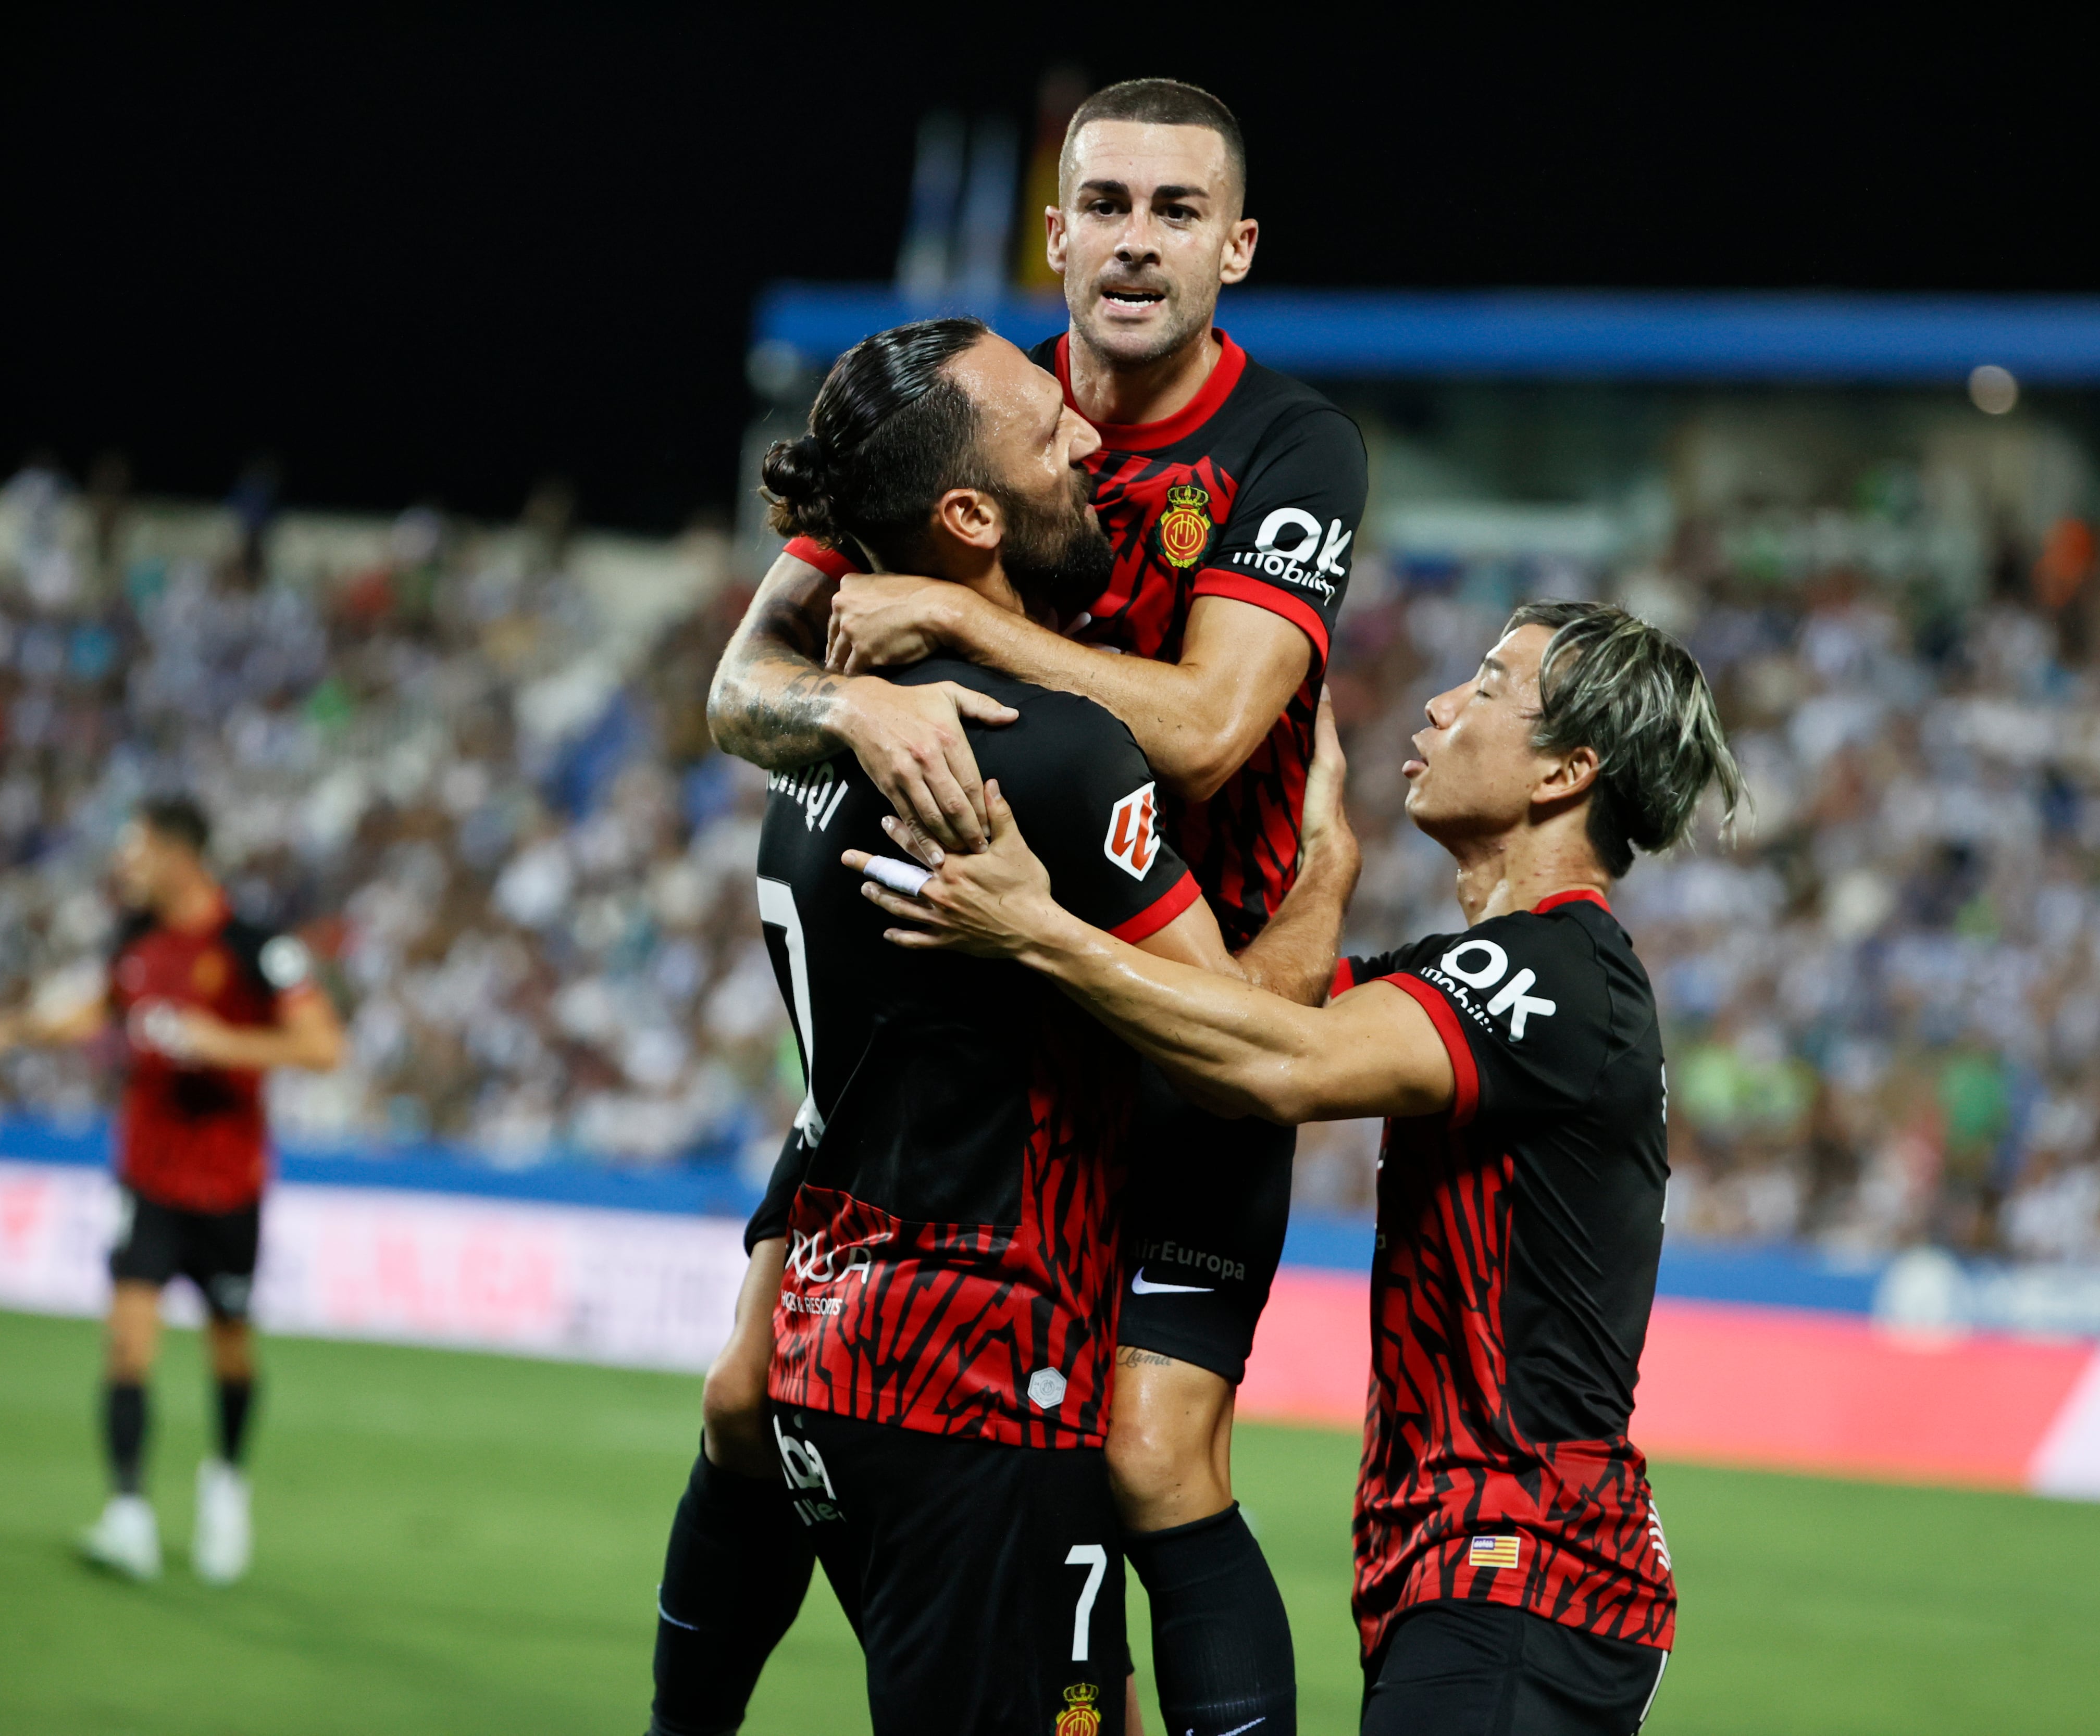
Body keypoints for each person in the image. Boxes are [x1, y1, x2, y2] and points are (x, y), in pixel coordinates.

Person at [697, 76, 1362, 1736]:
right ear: (1054, 232)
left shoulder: (1290, 446)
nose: (1139, 242)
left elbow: (1212, 732)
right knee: (739, 1392)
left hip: (1178, 983)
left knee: (1146, 1453)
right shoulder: (961, 408)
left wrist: (965, 628)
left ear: (1239, 246)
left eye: (1179, 211)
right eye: (1110, 205)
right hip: (966, 1002)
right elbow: (742, 682)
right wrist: (856, 708)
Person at [851, 602, 1741, 1734]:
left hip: (1531, 1566)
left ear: (1568, 769)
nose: (1437, 703)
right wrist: (1324, 860)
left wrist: (1037, 928)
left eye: (1484, 683)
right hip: (1469, 1564)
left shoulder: (1562, 978)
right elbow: (1244, 1007)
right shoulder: (1494, 971)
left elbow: (1272, 1061)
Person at [0, 795, 345, 1584]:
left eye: (137, 848)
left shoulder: (256, 948)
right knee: (128, 1340)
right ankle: (130, 1513)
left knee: (231, 1348)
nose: (125, 862)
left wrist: (223, 1043)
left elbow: (323, 1045)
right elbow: (103, 1012)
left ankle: (225, 1484)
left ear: (181, 855)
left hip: (229, 1186)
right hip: (147, 1178)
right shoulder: (134, 937)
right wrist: (23, 1028)